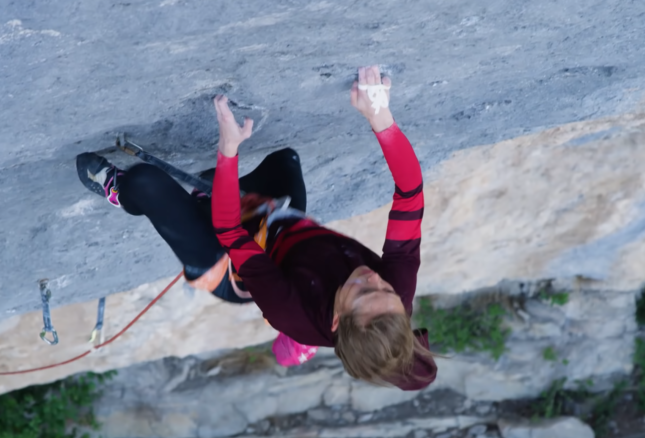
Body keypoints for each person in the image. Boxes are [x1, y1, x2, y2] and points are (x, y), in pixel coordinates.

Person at [76, 65, 436, 390]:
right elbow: (410, 195)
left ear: (338, 319)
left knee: (146, 183)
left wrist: (229, 149)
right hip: (280, 226)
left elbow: (231, 232)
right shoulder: (395, 298)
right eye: (384, 287)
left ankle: (120, 191)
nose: (372, 276)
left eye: (361, 290)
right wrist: (381, 118)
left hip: (228, 264)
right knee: (284, 161)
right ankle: (209, 191)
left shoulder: (290, 312)